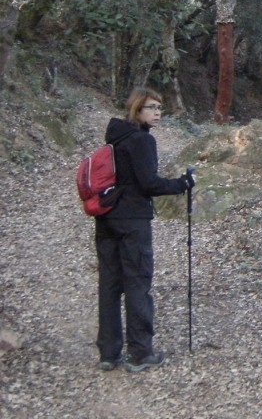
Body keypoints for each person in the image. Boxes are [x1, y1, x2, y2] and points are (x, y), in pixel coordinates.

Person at [94, 87, 195, 373]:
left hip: (107, 218)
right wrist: (182, 184)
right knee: (137, 282)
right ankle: (140, 352)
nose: (157, 113)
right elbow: (149, 184)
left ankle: (109, 353)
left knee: (110, 285)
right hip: (133, 221)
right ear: (137, 110)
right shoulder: (141, 141)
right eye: (151, 108)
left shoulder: (116, 138)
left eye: (160, 108)